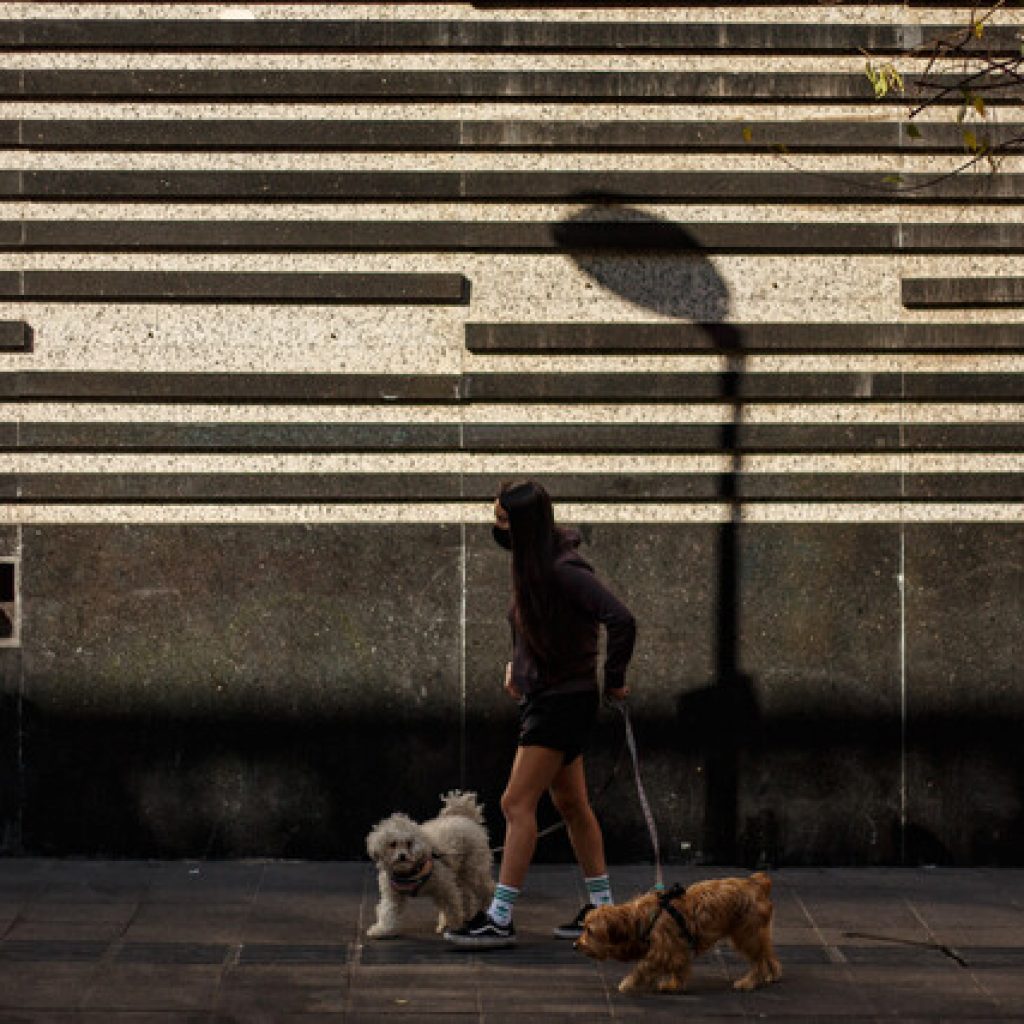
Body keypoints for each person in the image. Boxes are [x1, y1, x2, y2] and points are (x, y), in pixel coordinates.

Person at [445, 480, 636, 949]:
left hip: (560, 704)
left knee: (516, 804)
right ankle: (602, 910)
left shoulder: (563, 569)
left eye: (501, 518)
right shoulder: (534, 565)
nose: (495, 526)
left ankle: (500, 916)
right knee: (572, 805)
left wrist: (613, 678)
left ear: (523, 525)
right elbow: (540, 627)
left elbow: (621, 619)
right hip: (551, 696)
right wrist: (520, 667)